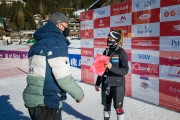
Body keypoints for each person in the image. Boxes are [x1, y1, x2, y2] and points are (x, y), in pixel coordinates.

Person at [23, 12, 84, 120]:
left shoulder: (38, 43)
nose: (68, 28)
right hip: (47, 102)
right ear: (59, 25)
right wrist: (79, 95)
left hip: (34, 100)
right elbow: (63, 77)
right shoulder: (56, 42)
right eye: (67, 25)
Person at [95, 29, 129, 120]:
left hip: (118, 85)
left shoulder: (121, 52)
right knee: (106, 106)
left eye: (111, 38)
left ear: (116, 40)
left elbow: (125, 70)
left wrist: (111, 67)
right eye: (108, 38)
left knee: (118, 108)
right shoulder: (105, 51)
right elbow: (101, 69)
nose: (108, 40)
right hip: (106, 84)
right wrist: (98, 83)